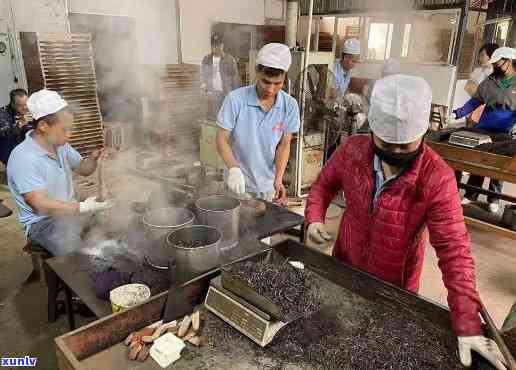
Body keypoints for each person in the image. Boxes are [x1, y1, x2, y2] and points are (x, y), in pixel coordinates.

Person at [305, 75, 506, 370]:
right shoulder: (352, 150)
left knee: (381, 353)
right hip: (344, 270)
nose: (395, 153)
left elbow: (454, 251)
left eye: (404, 146)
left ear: (423, 131)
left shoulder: (436, 177)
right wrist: (313, 219)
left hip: (395, 288)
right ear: (374, 129)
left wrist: (467, 324)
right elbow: (322, 187)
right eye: (387, 144)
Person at [7, 89, 112, 256]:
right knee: (78, 256)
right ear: (43, 126)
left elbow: (84, 169)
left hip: (69, 211)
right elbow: (40, 205)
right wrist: (83, 206)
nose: (69, 135)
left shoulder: (61, 145)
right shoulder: (24, 158)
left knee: (111, 228)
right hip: (44, 222)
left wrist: (94, 159)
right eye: (64, 129)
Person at [216, 43, 300, 202]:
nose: (270, 89)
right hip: (237, 184)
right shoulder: (235, 100)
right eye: (266, 81)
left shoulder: (290, 105)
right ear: (256, 71)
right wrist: (233, 169)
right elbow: (221, 138)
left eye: (277, 83)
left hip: (266, 186)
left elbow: (284, 145)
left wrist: (278, 179)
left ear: (285, 77)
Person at [449, 47, 516, 213]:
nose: (495, 67)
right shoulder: (490, 80)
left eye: (498, 63)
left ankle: (494, 198)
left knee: (498, 166)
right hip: (484, 127)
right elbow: (475, 101)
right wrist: (458, 112)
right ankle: (472, 193)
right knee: (479, 160)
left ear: (508, 62)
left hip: (504, 132)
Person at [201, 32, 241, 118]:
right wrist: (204, 89)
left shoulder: (230, 59)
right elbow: (203, 75)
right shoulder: (206, 59)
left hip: (226, 93)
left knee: (226, 116)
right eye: (214, 45)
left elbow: (235, 78)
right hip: (212, 94)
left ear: (223, 45)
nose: (217, 48)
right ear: (211, 46)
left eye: (219, 45)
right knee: (214, 117)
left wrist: (235, 94)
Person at [0, 89, 32, 165]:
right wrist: (20, 125)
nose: (25, 107)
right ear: (13, 104)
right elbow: (4, 134)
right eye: (20, 105)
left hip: (26, 148)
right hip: (9, 151)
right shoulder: (2, 113)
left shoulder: (30, 111)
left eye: (26, 104)